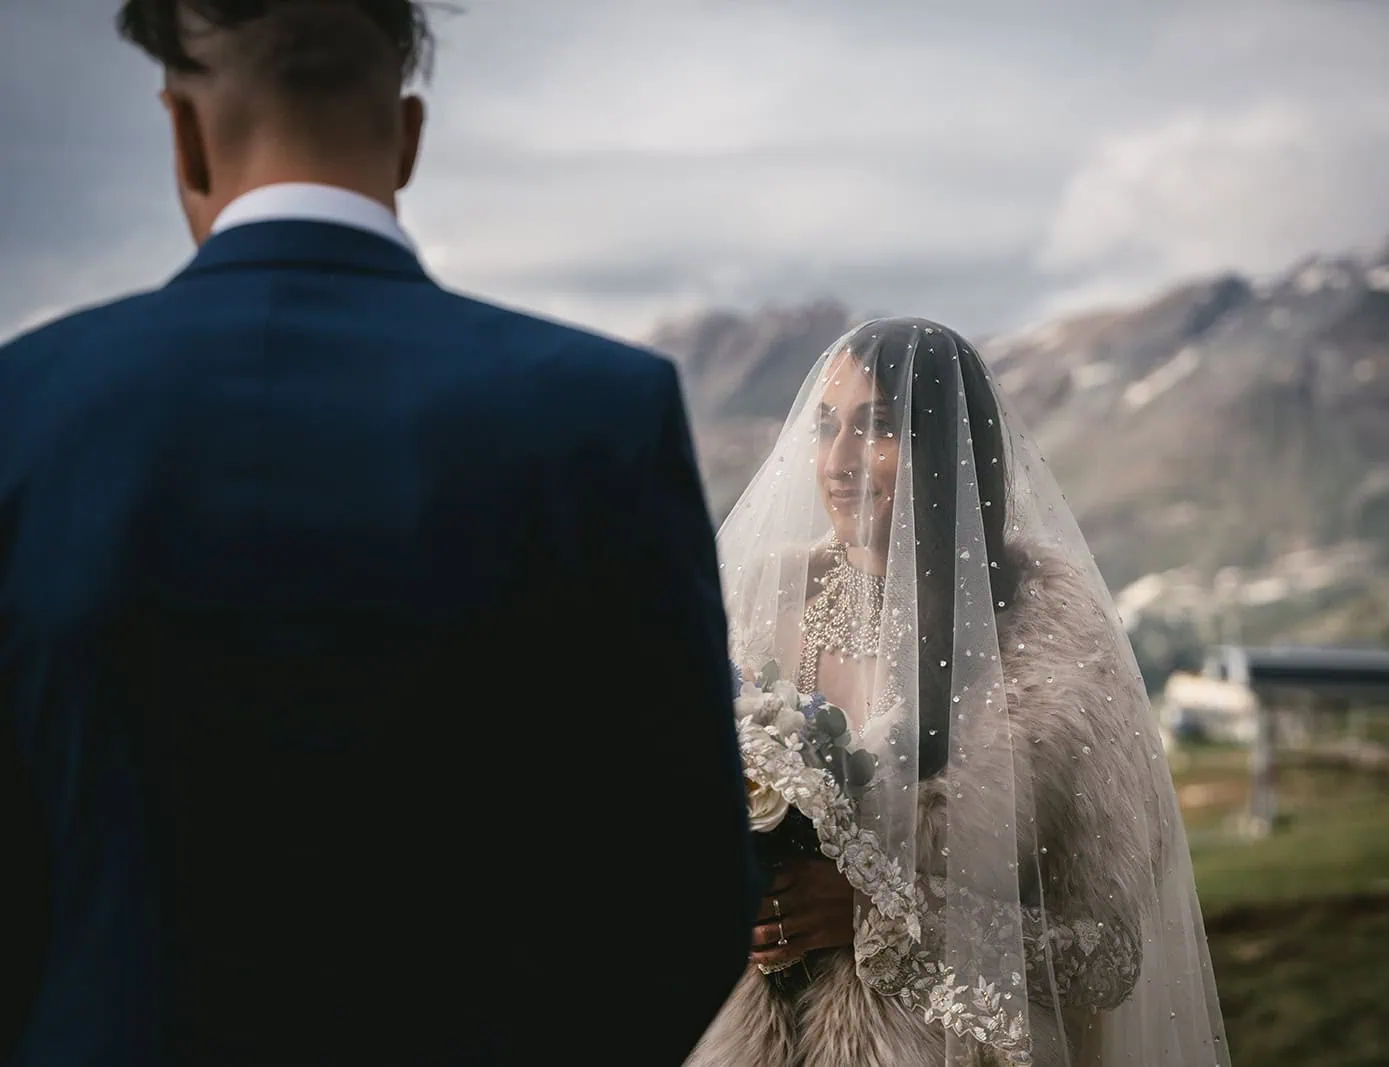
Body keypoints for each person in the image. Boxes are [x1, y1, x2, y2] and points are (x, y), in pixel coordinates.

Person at [0, 2, 758, 1064]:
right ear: (407, 135)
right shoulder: (600, 413)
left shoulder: (24, 408)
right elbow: (686, 890)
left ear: (180, 132)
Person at [692, 318, 1230, 1066]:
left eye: (877, 427)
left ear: (946, 450)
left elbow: (1105, 954)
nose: (839, 462)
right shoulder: (759, 608)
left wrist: (877, 915)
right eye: (826, 428)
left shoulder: (1056, 649)